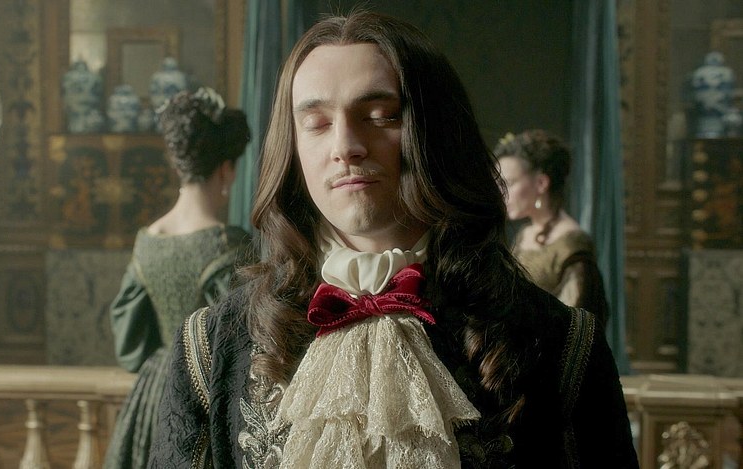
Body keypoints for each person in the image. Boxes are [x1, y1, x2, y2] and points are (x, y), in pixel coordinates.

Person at [149, 11, 638, 469]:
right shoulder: (212, 346)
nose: (345, 146)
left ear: (436, 134)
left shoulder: (561, 344)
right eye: (317, 123)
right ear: (292, 149)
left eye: (381, 115)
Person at [104, 87, 255, 469]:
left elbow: (129, 346)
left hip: (153, 394)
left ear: (180, 164)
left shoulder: (148, 241)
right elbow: (245, 349)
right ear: (226, 170)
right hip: (205, 397)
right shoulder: (228, 244)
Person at [494, 130, 610, 327]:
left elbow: (578, 323)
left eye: (509, 183)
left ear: (541, 183)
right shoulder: (525, 234)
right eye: (498, 183)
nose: (501, 191)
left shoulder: (572, 244)